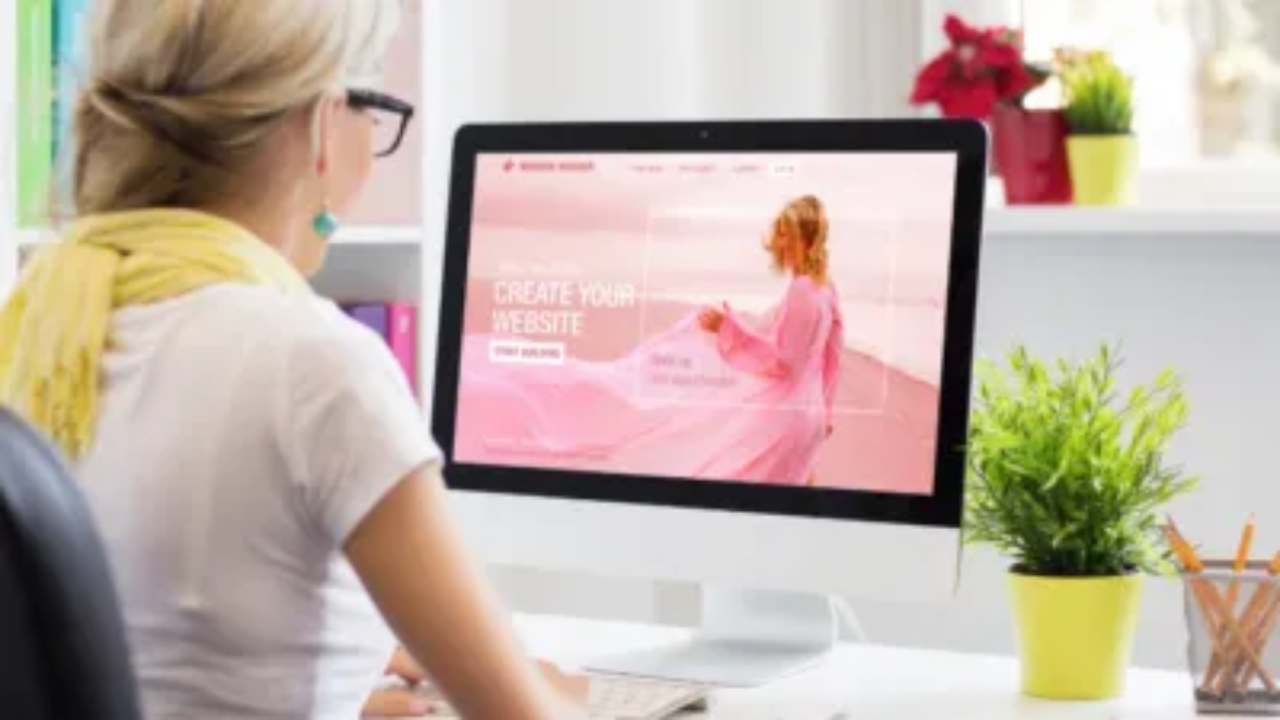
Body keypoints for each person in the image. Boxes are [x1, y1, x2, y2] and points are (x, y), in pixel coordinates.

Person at [0, 1, 584, 718]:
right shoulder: (313, 364)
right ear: (323, 126)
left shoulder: (43, 325)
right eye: (375, 110)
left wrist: (341, 688)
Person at [454, 195, 844, 486]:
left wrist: (729, 329)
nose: (778, 242)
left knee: (725, 472)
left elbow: (785, 361)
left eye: (786, 234)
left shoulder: (802, 290)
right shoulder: (825, 287)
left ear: (806, 238)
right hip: (806, 416)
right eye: (779, 232)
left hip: (783, 417)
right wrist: (825, 413)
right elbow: (832, 355)